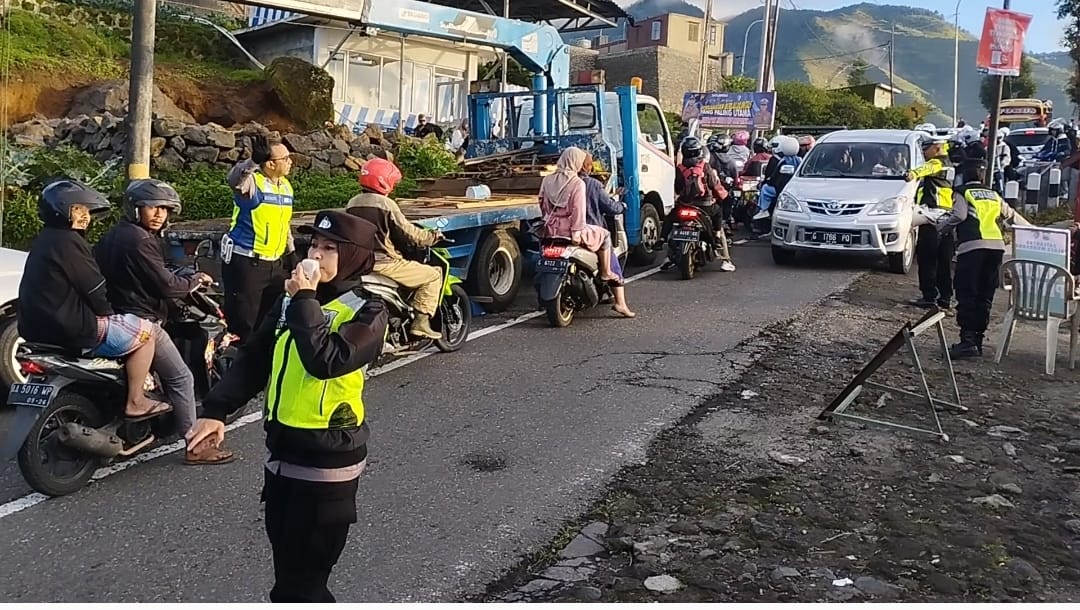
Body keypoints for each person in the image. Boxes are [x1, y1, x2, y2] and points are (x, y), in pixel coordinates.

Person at [187, 210, 387, 602]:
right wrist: (216, 410)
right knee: (288, 578)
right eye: (314, 244)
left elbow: (326, 360)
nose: (317, 254)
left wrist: (306, 299)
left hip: (328, 460)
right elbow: (257, 357)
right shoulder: (289, 301)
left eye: (331, 248)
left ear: (355, 257)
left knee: (305, 583)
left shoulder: (369, 309)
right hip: (282, 453)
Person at [95, 179, 234, 465]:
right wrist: (193, 280)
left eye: (165, 209)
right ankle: (196, 447)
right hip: (140, 317)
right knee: (182, 378)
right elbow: (167, 285)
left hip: (114, 314)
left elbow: (153, 270)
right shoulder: (140, 239)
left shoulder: (115, 235)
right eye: (153, 207)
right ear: (135, 208)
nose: (160, 214)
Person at [17, 179, 169, 419]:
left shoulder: (45, 240)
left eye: (86, 211)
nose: (86, 216)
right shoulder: (70, 243)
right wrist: (110, 313)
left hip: (35, 329)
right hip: (72, 328)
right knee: (147, 332)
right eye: (80, 210)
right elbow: (95, 290)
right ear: (63, 210)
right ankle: (136, 401)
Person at [936, 154, 1030, 357]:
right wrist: (1035, 231)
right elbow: (1012, 216)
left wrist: (941, 227)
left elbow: (959, 215)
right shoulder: (992, 194)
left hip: (972, 247)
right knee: (985, 294)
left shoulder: (962, 192)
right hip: (996, 248)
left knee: (967, 292)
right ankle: (977, 339)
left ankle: (967, 340)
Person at [344, 158, 444, 339]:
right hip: (385, 263)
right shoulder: (386, 204)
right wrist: (432, 237)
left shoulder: (352, 203)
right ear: (384, 180)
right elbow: (409, 233)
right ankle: (421, 322)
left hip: (359, 263)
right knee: (433, 275)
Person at [538, 147, 634, 317]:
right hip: (574, 229)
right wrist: (576, 233)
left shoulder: (547, 180)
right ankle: (608, 276)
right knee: (605, 235)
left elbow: (542, 204)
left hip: (551, 229)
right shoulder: (578, 183)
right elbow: (578, 211)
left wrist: (548, 221)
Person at [221, 134, 297, 345]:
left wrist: (290, 252)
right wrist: (253, 161)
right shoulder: (253, 183)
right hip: (248, 263)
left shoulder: (285, 187)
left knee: (270, 322)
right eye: (286, 158)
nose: (291, 162)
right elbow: (233, 180)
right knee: (244, 324)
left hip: (275, 264)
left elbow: (284, 223)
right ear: (271, 163)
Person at [658, 137, 735, 271]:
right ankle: (723, 257)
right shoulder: (705, 166)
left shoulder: (680, 168)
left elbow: (677, 187)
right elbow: (714, 185)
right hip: (705, 206)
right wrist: (724, 196)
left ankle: (663, 244)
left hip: (685, 205)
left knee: (671, 220)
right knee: (718, 216)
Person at [578, 152, 634, 316]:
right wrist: (622, 206)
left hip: (560, 231)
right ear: (585, 167)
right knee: (613, 264)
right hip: (589, 231)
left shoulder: (560, 182)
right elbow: (609, 206)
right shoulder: (592, 184)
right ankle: (620, 303)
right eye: (590, 165)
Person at [906, 136, 955, 312]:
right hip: (947, 218)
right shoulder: (949, 162)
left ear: (936, 148)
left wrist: (912, 174)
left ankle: (929, 297)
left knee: (927, 259)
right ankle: (945, 298)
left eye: (925, 149)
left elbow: (927, 168)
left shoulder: (937, 163)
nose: (923, 153)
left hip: (932, 216)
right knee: (945, 261)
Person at [753, 136, 801, 222]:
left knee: (765, 189)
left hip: (780, 188)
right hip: (796, 188)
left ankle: (764, 209)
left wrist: (766, 182)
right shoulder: (800, 160)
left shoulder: (781, 160)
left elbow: (773, 176)